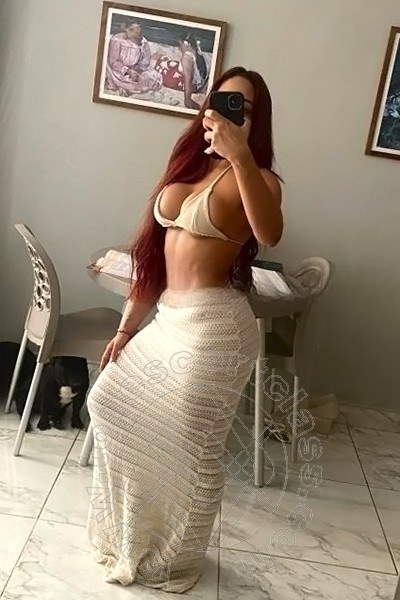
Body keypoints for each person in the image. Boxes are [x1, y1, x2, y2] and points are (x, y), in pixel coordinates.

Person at [86, 66, 284, 593]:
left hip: (215, 329)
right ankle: (133, 534)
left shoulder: (259, 179)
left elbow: (269, 233)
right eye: (223, 100)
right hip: (170, 318)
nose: (229, 113)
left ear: (256, 121)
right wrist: (126, 330)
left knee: (192, 447)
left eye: (244, 107)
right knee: (108, 401)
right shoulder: (188, 166)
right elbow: (152, 262)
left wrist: (240, 156)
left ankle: (173, 556)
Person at [105, 20, 162, 95]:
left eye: (137, 31)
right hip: (119, 69)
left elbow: (145, 60)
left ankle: (132, 86)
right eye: (131, 30)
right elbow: (113, 61)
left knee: (150, 77)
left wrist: (138, 70)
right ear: (125, 29)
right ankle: (125, 86)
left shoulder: (143, 42)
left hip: (135, 69)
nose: (134, 34)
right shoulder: (117, 40)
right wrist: (128, 71)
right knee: (120, 80)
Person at [154, 33, 210, 109]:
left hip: (189, 85)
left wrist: (187, 99)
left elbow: (188, 79)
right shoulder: (198, 53)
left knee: (160, 64)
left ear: (186, 44)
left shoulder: (187, 57)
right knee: (164, 61)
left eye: (180, 45)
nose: (179, 48)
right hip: (197, 84)